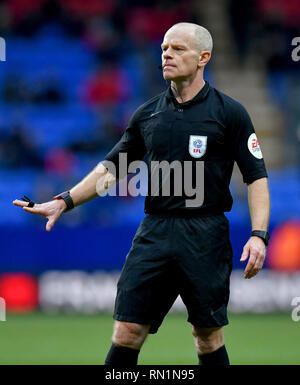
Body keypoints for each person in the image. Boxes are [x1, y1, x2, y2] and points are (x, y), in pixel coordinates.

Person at [13, 22, 271, 365]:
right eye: (164, 48)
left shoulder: (230, 113)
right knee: (126, 332)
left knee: (207, 338)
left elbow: (255, 176)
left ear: (203, 57)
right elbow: (112, 169)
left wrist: (258, 235)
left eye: (178, 49)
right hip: (156, 232)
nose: (167, 54)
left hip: (206, 235)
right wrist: (64, 200)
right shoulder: (148, 113)